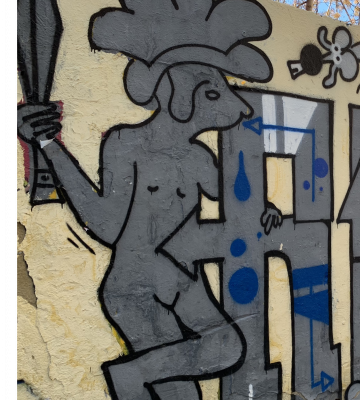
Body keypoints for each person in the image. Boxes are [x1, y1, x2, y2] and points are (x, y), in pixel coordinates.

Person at [16, 0, 275, 398]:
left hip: (171, 273)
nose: (239, 108)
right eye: (213, 93)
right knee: (189, 386)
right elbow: (105, 223)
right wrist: (49, 144)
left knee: (222, 350)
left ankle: (129, 377)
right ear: (183, 97)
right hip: (130, 281)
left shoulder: (200, 160)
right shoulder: (126, 143)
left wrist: (264, 213)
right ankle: (128, 378)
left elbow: (238, 206)